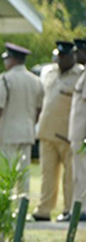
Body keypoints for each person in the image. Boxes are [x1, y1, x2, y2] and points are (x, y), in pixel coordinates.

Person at [33, 42, 84, 222]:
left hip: (67, 134)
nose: (59, 60)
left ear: (72, 57)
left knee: (70, 176)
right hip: (47, 132)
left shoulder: (79, 75)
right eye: (58, 56)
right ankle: (44, 210)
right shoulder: (50, 73)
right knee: (47, 174)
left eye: (63, 56)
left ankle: (69, 209)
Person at [0, 43, 43, 196]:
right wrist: (31, 123)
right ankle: (22, 207)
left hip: (7, 132)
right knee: (24, 172)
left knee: (5, 171)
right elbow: (39, 108)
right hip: (27, 131)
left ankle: (5, 206)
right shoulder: (36, 80)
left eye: (7, 59)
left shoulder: (5, 79)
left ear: (13, 60)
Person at [70, 41, 86, 221]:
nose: (76, 56)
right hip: (77, 133)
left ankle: (82, 210)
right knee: (78, 173)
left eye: (79, 52)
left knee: (82, 173)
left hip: (82, 134)